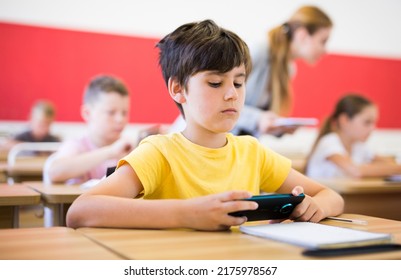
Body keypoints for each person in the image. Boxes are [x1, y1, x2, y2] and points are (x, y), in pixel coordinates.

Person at [66, 19, 343, 231]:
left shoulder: (251, 152)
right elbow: (80, 210)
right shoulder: (160, 152)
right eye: (215, 83)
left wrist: (313, 206)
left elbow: (331, 196)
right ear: (178, 89)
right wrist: (186, 213)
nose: (232, 93)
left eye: (238, 82)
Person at [233, 5, 333, 137]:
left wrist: (278, 127)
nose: (325, 50)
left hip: (245, 144)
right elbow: (222, 103)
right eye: (323, 41)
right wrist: (258, 118)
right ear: (302, 35)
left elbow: (260, 119)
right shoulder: (259, 52)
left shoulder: (289, 69)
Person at [44, 74, 135, 185]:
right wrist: (110, 151)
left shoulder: (128, 148)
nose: (120, 119)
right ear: (87, 113)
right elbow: (54, 172)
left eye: (125, 113)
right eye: (111, 112)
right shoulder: (77, 145)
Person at [306, 94, 401, 179]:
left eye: (374, 123)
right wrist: (396, 168)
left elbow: (387, 162)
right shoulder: (329, 142)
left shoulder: (359, 146)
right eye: (367, 122)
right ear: (344, 120)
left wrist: (394, 166)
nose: (373, 128)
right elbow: (355, 171)